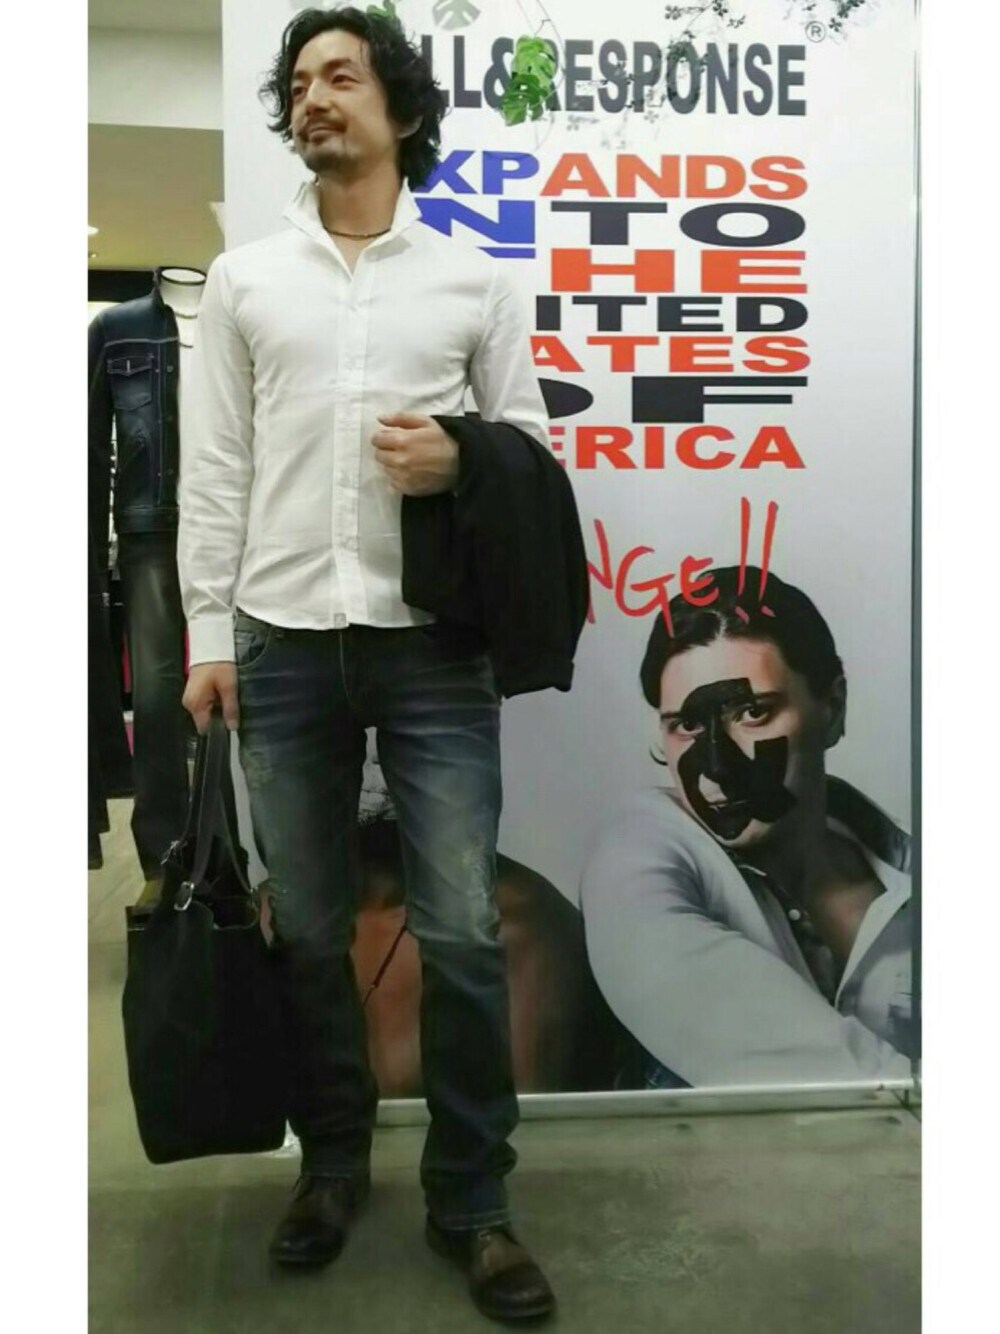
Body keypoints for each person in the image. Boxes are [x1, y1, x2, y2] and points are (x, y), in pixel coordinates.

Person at [177, 6, 556, 1323]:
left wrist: (460, 458)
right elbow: (215, 468)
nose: (314, 97)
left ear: (399, 107)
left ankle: (475, 1199)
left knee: (459, 930)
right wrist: (208, 635)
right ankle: (331, 1163)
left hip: (433, 648)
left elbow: (528, 447)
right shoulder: (244, 282)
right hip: (281, 639)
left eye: (341, 75)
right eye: (298, 83)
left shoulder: (472, 281)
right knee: (309, 929)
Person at [580, 566, 915, 1091]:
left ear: (832, 709)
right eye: (687, 725)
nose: (717, 768)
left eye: (753, 712)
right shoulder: (637, 853)